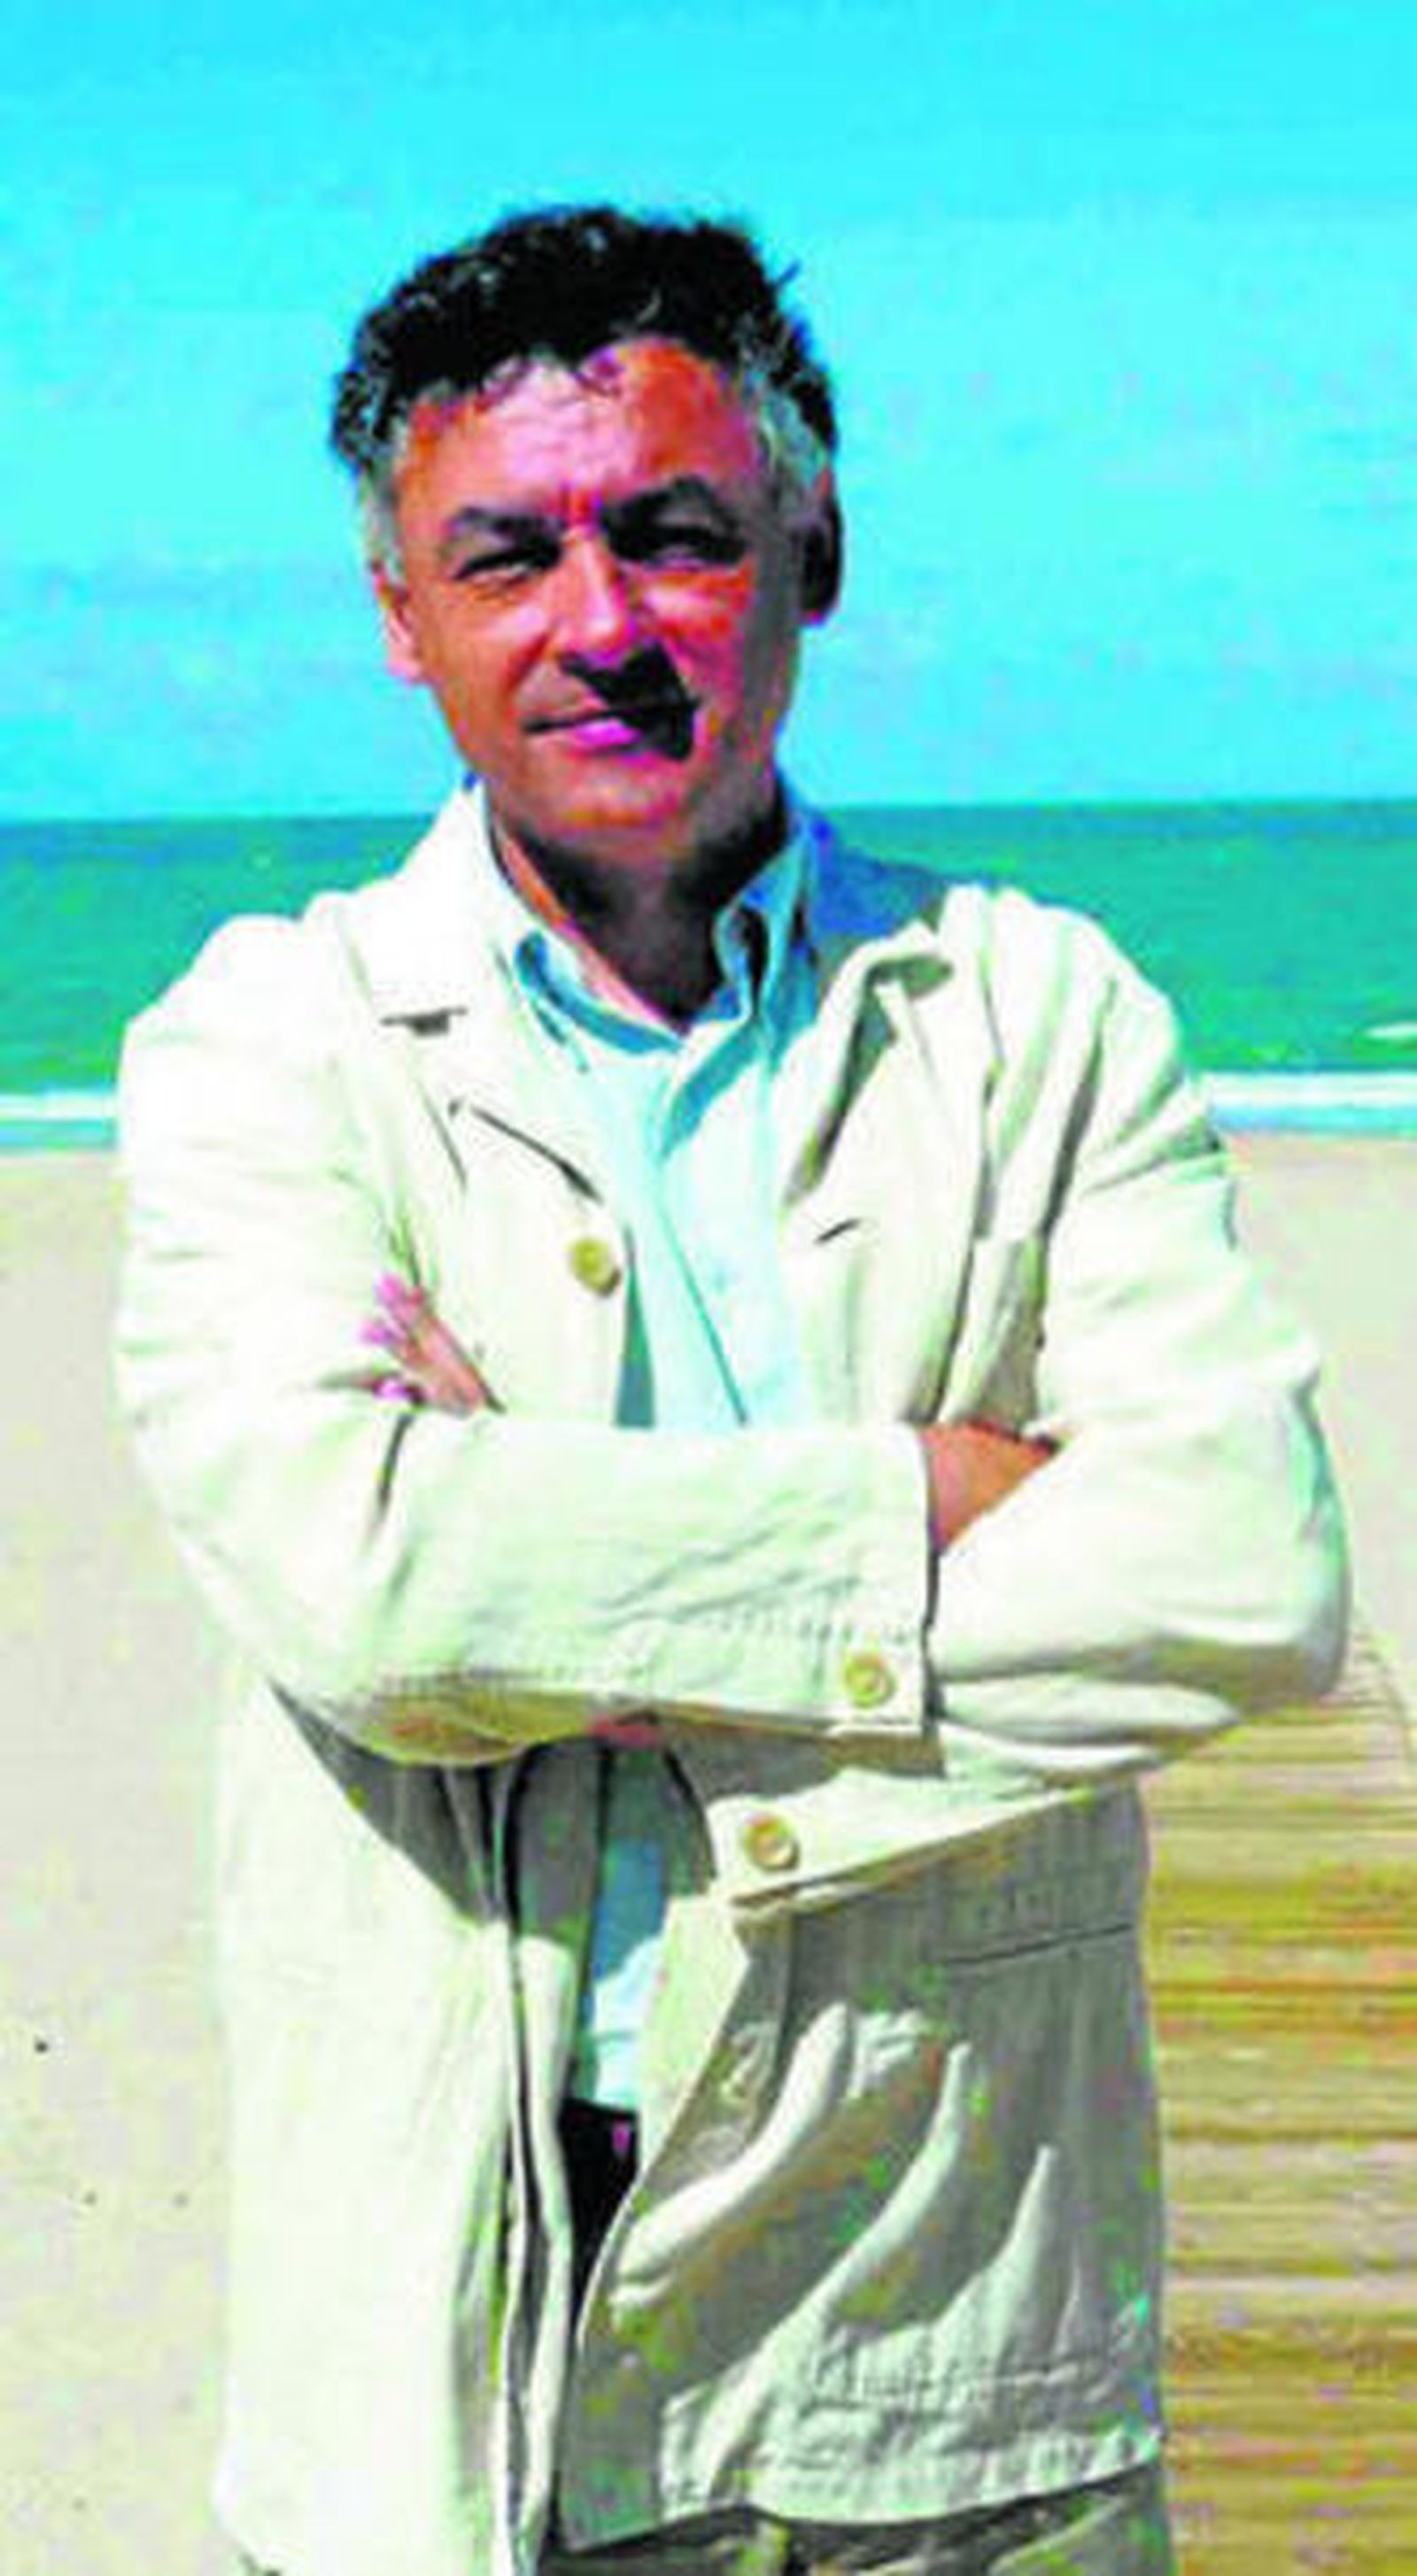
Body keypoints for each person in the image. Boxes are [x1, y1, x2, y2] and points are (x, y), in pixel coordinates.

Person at [115, 205, 1347, 2576]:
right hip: (447, 2380)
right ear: (401, 615)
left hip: (957, 2344)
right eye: (506, 555)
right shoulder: (271, 1038)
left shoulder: (1040, 1013)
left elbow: (1243, 1576)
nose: (600, 622)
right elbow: (371, 1597)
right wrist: (932, 1498)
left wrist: (566, 1589)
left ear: (814, 551)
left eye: (675, 535)